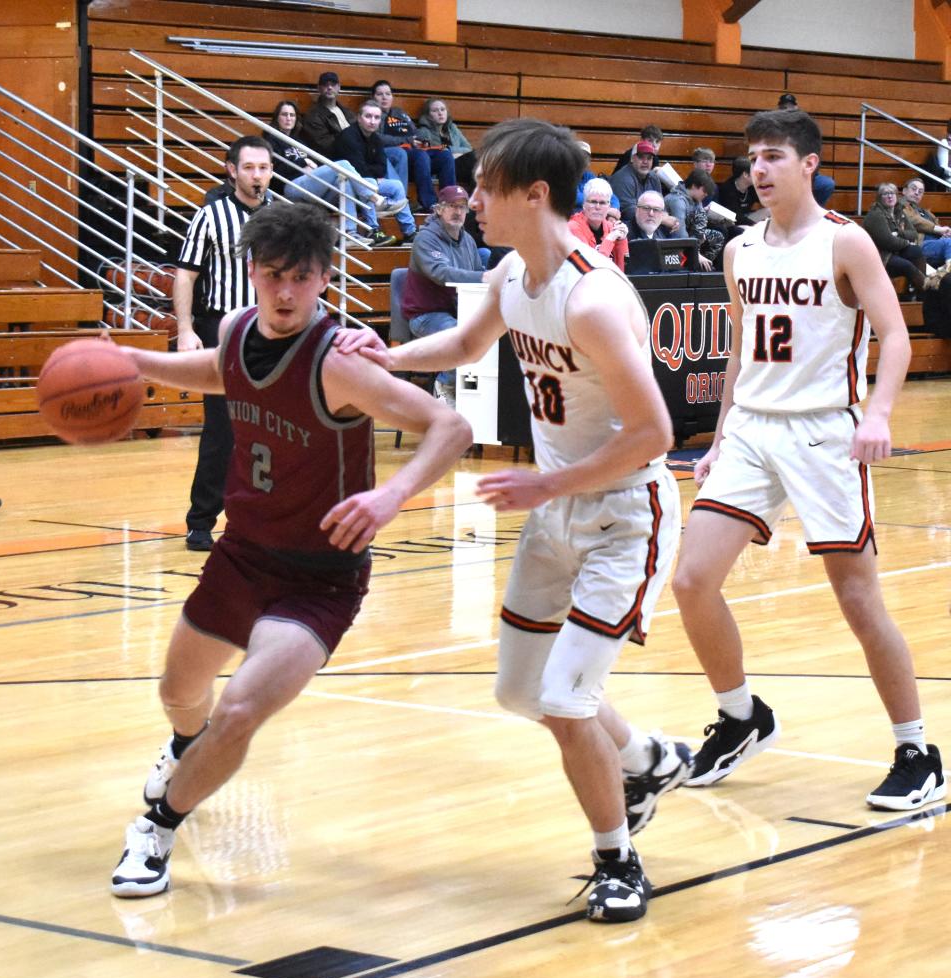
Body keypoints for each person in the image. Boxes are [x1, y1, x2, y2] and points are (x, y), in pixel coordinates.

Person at [339, 118, 690, 924]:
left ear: (535, 195)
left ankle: (619, 860)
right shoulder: (510, 272)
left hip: (624, 512)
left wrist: (548, 481)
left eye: (488, 184)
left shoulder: (593, 297)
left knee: (566, 698)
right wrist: (384, 356)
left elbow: (655, 436)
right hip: (557, 501)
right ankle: (644, 759)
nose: (473, 196)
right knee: (519, 691)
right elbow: (465, 345)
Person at [109, 200, 472, 898]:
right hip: (242, 553)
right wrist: (133, 360)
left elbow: (449, 427)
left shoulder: (341, 363)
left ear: (324, 280)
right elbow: (219, 373)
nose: (284, 292)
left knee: (240, 707)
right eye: (272, 275)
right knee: (180, 694)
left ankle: (156, 826)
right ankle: (187, 748)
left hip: (321, 576)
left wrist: (388, 497)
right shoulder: (237, 329)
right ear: (250, 272)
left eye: (300, 278)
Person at [671, 109, 945, 811]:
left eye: (771, 157)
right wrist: (720, 435)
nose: (757, 169)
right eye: (752, 157)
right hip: (755, 431)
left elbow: (896, 335)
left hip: (825, 432)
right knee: (692, 579)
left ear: (808, 165)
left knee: (857, 599)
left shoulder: (845, 244)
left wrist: (879, 413)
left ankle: (917, 750)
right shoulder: (740, 249)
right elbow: (740, 349)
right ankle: (741, 718)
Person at [174, 135, 274, 552]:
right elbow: (186, 275)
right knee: (223, 430)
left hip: (272, 330)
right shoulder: (211, 216)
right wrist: (185, 328)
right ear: (232, 170)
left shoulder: (282, 217)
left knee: (274, 430)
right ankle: (201, 519)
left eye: (264, 168)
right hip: (223, 329)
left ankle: (263, 517)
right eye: (249, 167)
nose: (257, 175)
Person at [263, 100, 403, 243]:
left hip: (311, 184)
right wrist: (303, 162)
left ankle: (350, 233)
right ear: (277, 118)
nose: (288, 118)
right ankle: (376, 198)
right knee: (342, 165)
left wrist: (311, 166)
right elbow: (275, 170)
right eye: (284, 115)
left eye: (292, 115)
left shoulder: (299, 140)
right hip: (291, 186)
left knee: (344, 179)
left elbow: (315, 162)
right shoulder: (271, 140)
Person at [401, 184, 489, 407]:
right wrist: (486, 278)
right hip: (425, 315)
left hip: (458, 311)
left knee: (490, 333)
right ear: (439, 209)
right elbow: (442, 274)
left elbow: (477, 272)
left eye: (462, 207)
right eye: (452, 206)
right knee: (460, 336)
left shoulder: (467, 240)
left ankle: (482, 407)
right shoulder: (426, 239)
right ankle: (444, 385)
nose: (458, 212)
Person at [333, 100, 418, 246]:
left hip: (364, 184)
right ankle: (373, 229)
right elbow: (358, 169)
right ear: (359, 117)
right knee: (369, 182)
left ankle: (409, 232)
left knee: (396, 185)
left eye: (376, 117)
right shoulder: (348, 137)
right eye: (368, 116)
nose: (372, 121)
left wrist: (370, 173)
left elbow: (382, 168)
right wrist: (371, 174)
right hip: (341, 187)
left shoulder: (376, 139)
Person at [371, 80, 457, 212]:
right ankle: (430, 203)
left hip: (414, 153)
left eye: (388, 94)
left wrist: (421, 140)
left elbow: (414, 131)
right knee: (420, 155)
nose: (384, 97)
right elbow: (376, 138)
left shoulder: (399, 113)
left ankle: (450, 201)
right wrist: (406, 140)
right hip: (395, 156)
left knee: (445, 154)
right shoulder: (373, 115)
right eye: (379, 94)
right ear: (373, 97)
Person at [862, 182, 927, 296]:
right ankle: (927, 292)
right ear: (879, 198)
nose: (890, 196)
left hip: (895, 251)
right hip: (881, 256)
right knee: (906, 265)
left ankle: (917, 292)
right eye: (885, 194)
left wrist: (898, 233)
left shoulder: (899, 212)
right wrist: (906, 242)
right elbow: (888, 242)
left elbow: (914, 234)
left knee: (916, 251)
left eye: (892, 193)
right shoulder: (875, 215)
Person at [664, 169, 725, 270]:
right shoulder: (677, 201)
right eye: (704, 191)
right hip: (673, 239)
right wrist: (696, 253)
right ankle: (695, 265)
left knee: (718, 237)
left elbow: (699, 223)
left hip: (691, 234)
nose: (706, 195)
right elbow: (680, 234)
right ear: (693, 186)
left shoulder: (695, 199)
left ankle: (704, 266)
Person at [568, 177, 629, 272]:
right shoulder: (573, 228)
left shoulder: (611, 227)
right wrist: (610, 239)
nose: (597, 207)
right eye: (593, 202)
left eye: (602, 203)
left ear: (609, 207)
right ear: (584, 204)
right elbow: (591, 269)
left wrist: (621, 240)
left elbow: (622, 271)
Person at [415, 97, 476, 191]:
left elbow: (468, 149)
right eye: (435, 111)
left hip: (460, 164)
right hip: (443, 169)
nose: (440, 113)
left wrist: (451, 151)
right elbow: (430, 154)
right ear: (428, 115)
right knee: (474, 160)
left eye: (442, 109)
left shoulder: (452, 128)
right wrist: (452, 153)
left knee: (477, 158)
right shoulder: (423, 132)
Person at [300, 70, 355, 162]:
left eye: (333, 84)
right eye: (325, 84)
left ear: (338, 87)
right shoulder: (312, 116)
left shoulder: (348, 112)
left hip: (353, 154)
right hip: (334, 161)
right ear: (319, 88)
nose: (329, 87)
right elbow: (326, 145)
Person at [900, 177, 951, 266]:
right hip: (919, 246)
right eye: (913, 189)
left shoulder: (926, 212)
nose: (916, 193)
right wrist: (937, 229)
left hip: (937, 244)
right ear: (904, 191)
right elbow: (913, 220)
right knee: (948, 243)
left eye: (920, 191)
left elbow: (940, 230)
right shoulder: (898, 206)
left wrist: (944, 234)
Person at [716, 156, 761, 226]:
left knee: (770, 210)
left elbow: (767, 201)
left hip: (747, 217)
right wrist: (755, 225)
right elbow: (735, 216)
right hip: (732, 222)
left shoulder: (753, 186)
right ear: (745, 174)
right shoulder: (727, 189)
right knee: (747, 230)